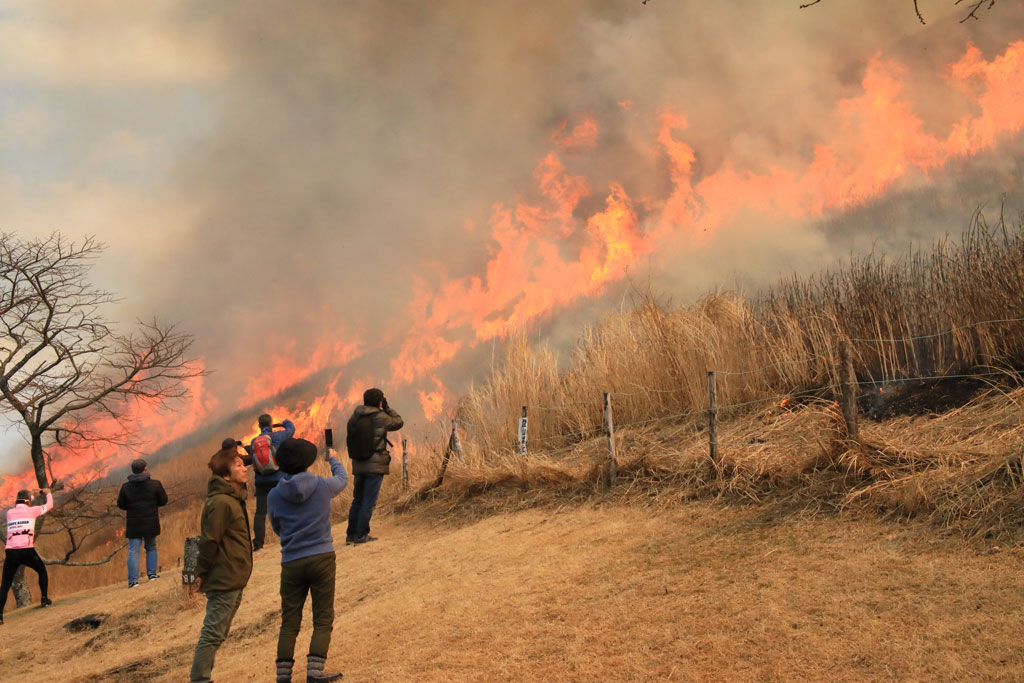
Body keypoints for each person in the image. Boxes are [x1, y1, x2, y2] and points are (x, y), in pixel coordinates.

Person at [268, 438, 347, 683]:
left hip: (291, 561)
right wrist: (333, 458)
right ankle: (314, 672)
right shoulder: (323, 486)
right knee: (322, 617)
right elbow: (343, 479)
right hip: (322, 557)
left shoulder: (273, 495)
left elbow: (277, 527)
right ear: (307, 462)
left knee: (289, 621)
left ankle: (283, 677)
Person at [189, 445, 253, 683]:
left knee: (219, 632)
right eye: (238, 465)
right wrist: (200, 572)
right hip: (224, 577)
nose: (244, 468)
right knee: (213, 633)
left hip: (233, 576)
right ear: (226, 476)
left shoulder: (232, 499)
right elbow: (209, 541)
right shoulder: (221, 503)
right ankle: (200, 679)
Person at [345, 388, 402, 544]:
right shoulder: (380, 416)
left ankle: (351, 535)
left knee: (357, 500)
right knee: (368, 502)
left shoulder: (355, 416)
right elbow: (398, 422)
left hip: (358, 464)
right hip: (374, 464)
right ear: (379, 401)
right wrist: (387, 408)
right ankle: (361, 535)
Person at [1, 487, 53, 625]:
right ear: (28, 501)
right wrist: (47, 493)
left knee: (5, 585)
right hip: (27, 550)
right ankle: (44, 599)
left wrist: (32, 497)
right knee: (41, 571)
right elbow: (49, 505)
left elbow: (21, 505)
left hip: (11, 552)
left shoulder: (10, 513)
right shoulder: (32, 511)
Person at [116, 458, 168, 587]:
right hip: (151, 521)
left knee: (133, 551)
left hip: (133, 524)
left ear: (133, 471)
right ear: (145, 469)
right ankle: (152, 575)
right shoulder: (155, 484)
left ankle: (133, 581)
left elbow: (121, 504)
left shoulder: (126, 487)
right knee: (151, 547)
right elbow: (163, 501)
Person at [247, 414, 295, 551]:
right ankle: (289, 536)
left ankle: (258, 544)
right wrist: (282, 423)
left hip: (261, 482)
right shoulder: (277, 437)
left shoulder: (253, 441)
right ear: (271, 423)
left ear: (259, 426)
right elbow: (291, 428)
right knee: (286, 506)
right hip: (278, 478)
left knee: (260, 513)